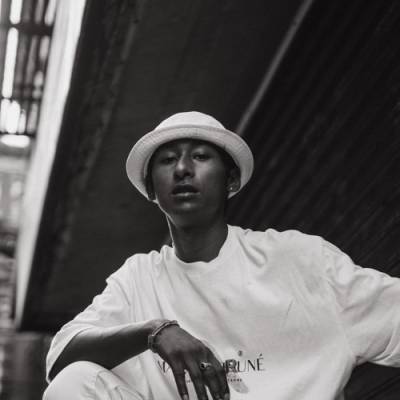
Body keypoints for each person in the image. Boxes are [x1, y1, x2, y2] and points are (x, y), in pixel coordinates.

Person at [43, 111, 400, 400]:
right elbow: (60, 359)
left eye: (200, 156)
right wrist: (153, 332)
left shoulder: (299, 260)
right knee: (73, 382)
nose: (182, 169)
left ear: (231, 181)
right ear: (152, 190)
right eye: (168, 160)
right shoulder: (139, 278)